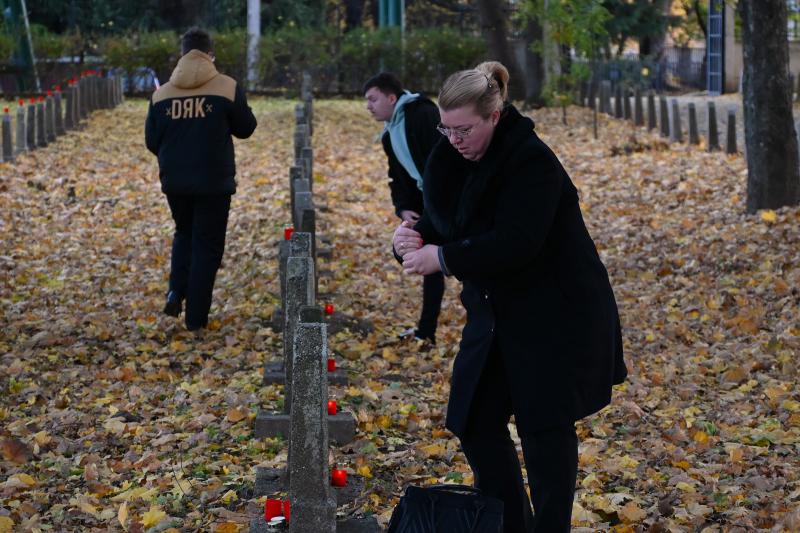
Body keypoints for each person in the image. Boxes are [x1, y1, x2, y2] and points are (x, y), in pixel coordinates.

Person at [392, 62, 627, 532]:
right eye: (446, 127)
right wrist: (407, 239)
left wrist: (444, 259)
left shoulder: (531, 161)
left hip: (556, 316)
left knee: (545, 432)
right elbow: (440, 224)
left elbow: (517, 242)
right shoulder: (450, 158)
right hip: (495, 316)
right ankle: (511, 524)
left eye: (465, 129)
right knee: (473, 419)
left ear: (495, 116)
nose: (453, 139)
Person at [145, 28, 257, 331]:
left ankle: (175, 290)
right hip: (213, 182)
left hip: (175, 182)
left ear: (182, 54)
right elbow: (246, 128)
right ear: (211, 55)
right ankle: (196, 317)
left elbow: (151, 140)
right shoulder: (226, 87)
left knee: (184, 232)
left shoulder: (162, 94)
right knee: (207, 245)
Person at [363, 73, 445, 344]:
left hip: (449, 199)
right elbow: (397, 176)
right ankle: (426, 332)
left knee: (460, 261)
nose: (369, 106)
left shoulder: (422, 113)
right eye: (367, 101)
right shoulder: (389, 133)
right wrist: (404, 208)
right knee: (427, 263)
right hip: (427, 204)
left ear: (391, 97)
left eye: (373, 99)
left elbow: (444, 155)